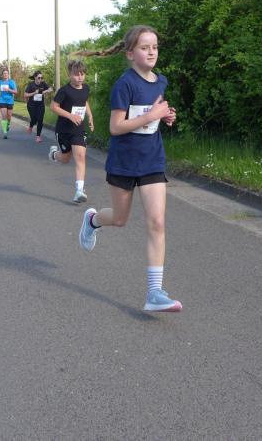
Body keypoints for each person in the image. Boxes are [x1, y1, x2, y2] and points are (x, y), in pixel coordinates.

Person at [74, 25, 180, 312]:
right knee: (120, 219)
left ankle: (154, 293)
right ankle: (93, 220)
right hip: (123, 162)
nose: (152, 52)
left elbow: (152, 115)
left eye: (155, 47)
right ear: (131, 54)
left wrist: (165, 117)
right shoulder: (125, 84)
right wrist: (152, 114)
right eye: (145, 48)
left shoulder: (160, 81)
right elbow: (116, 127)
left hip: (152, 160)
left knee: (157, 222)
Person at [48, 61, 94, 203]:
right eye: (76, 74)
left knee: (80, 156)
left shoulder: (86, 88)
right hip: (64, 130)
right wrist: (70, 116)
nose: (80, 77)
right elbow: (53, 107)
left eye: (82, 74)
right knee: (65, 159)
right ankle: (54, 154)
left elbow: (84, 101)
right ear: (69, 75)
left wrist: (90, 116)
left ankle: (79, 191)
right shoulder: (64, 91)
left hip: (78, 129)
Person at [23, 71, 52, 143]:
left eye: (41, 78)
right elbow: (25, 95)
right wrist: (34, 93)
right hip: (31, 105)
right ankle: (31, 126)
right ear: (35, 77)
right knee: (34, 119)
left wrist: (46, 91)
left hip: (40, 105)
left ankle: (38, 136)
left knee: (40, 120)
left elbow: (50, 89)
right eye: (39, 78)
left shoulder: (43, 83)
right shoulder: (31, 85)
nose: (40, 79)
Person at [0, 68, 18, 138]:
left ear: (8, 74)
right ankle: (5, 132)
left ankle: (8, 124)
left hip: (10, 101)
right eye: (4, 73)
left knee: (9, 117)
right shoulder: (0, 82)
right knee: (4, 116)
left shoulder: (11, 82)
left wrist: (9, 90)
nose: (5, 75)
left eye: (6, 73)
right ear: (2, 75)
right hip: (2, 100)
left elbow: (15, 92)